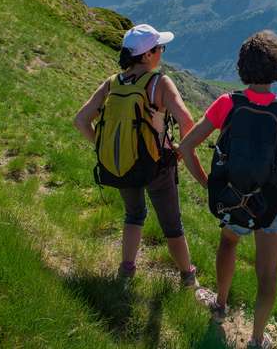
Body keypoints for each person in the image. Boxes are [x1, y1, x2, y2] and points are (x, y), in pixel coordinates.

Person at [179, 30, 277, 349]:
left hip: (233, 198)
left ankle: (220, 306)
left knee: (228, 243)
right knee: (268, 274)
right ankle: (257, 339)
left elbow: (186, 146)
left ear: (242, 66)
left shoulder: (227, 103)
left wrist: (209, 186)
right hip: (272, 205)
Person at [74, 24, 203, 286]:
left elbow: (80, 121)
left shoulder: (112, 83)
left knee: (134, 215)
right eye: (159, 48)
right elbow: (187, 121)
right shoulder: (159, 83)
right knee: (171, 225)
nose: (161, 53)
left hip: (123, 163)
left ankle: (126, 271)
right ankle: (187, 276)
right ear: (146, 55)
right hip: (158, 165)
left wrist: (105, 146)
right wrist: (179, 149)